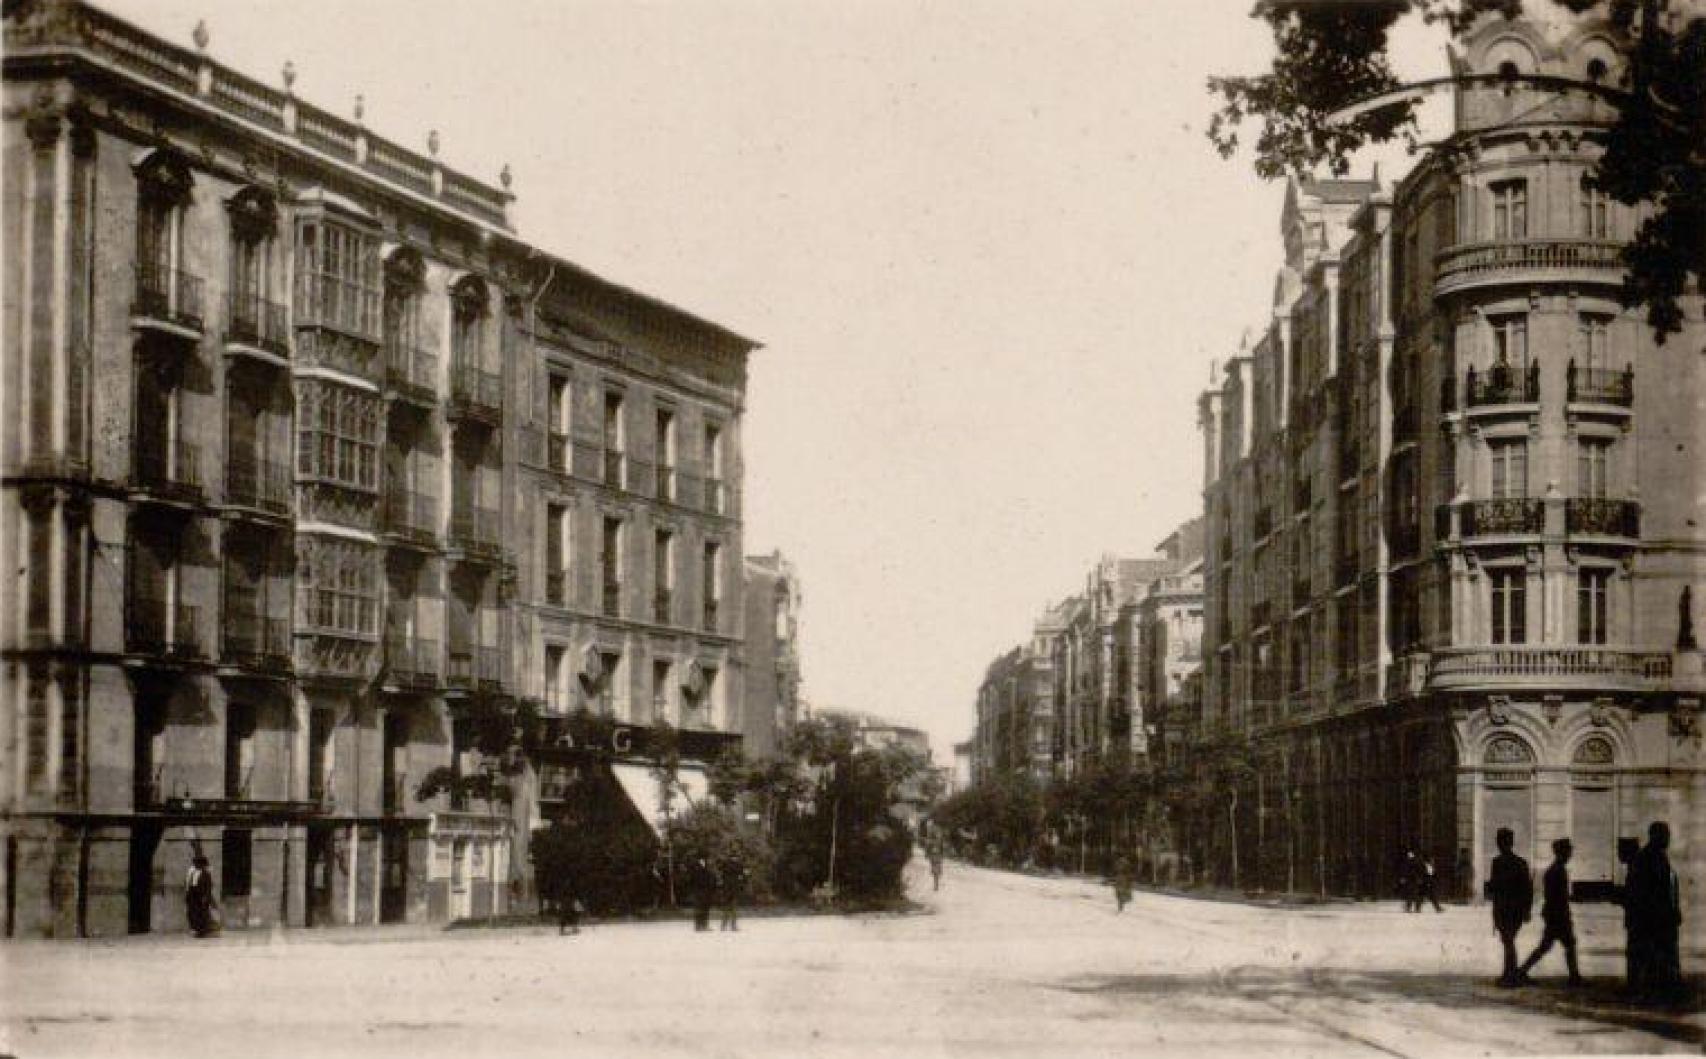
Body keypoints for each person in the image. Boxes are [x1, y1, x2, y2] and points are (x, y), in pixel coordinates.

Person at [1626, 821, 1682, 997]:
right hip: (1651, 918)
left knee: (1655, 953)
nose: (1668, 839)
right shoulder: (1647, 858)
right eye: (1665, 835)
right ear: (1655, 836)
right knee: (1648, 953)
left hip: (1659, 917)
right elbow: (1647, 891)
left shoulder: (1658, 856)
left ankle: (1659, 986)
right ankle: (1645, 988)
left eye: (1668, 835)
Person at [1518, 839, 1583, 986]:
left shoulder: (1555, 869)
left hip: (1553, 913)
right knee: (1565, 945)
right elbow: (1559, 897)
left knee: (1550, 945)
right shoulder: (1558, 870)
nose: (1570, 854)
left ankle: (1522, 970)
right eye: (1568, 851)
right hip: (1558, 914)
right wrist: (1564, 914)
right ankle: (1574, 977)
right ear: (1562, 852)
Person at [1487, 827, 1534, 986]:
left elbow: (1493, 887)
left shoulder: (1497, 863)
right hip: (1515, 910)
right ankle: (1511, 973)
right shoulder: (1521, 863)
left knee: (1508, 941)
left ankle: (1510, 975)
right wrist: (1527, 910)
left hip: (1504, 909)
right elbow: (1528, 889)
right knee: (1509, 941)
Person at [1614, 836, 1646, 993]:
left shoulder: (1636, 868)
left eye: (1620, 851)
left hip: (1638, 919)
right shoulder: (1636, 866)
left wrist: (1618, 897)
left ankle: (1634, 986)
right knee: (1635, 952)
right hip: (1638, 918)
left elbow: (1634, 896)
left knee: (1635, 952)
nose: (1618, 855)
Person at [185, 854, 218, 938]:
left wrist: (206, 897)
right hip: (193, 896)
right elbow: (190, 885)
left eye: (197, 863)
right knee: (193, 913)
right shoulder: (193, 873)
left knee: (202, 914)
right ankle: (197, 929)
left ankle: (202, 931)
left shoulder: (206, 874)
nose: (195, 865)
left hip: (201, 896)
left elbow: (208, 887)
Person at [718, 856, 747, 932]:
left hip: (726, 891)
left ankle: (724, 925)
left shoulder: (725, 867)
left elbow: (721, 878)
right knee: (733, 909)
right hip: (733, 890)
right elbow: (743, 878)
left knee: (726, 909)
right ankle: (733, 926)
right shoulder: (738, 867)